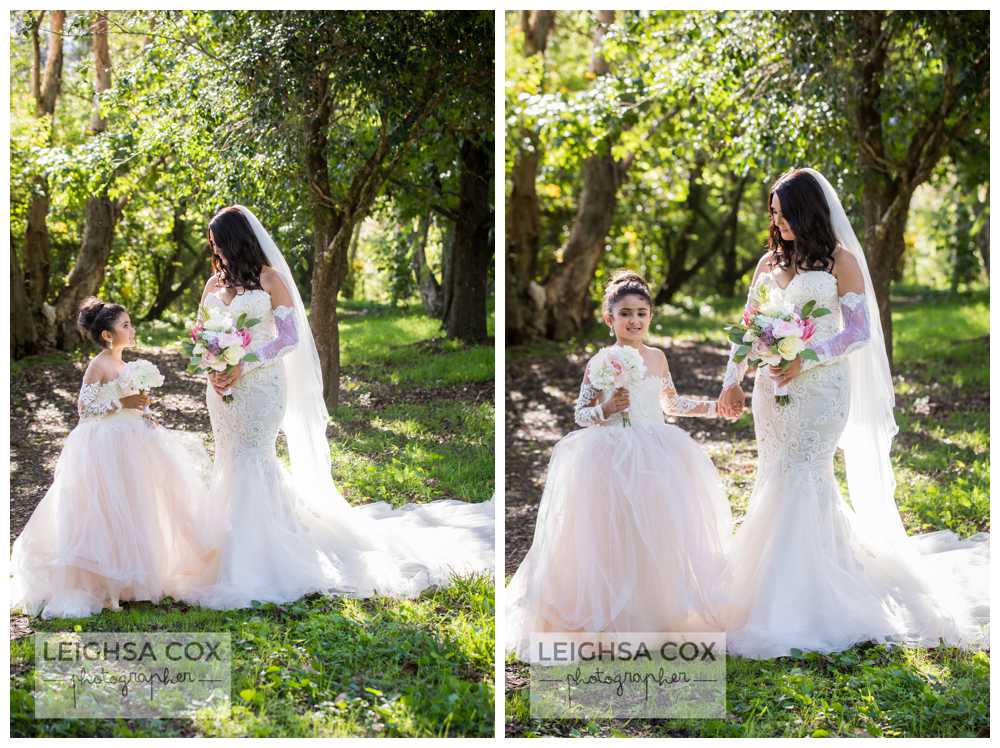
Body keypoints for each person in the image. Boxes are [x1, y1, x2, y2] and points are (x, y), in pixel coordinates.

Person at [715, 168, 989, 658]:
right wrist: (732, 381)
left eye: (783, 213)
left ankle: (807, 592)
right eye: (772, 215)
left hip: (821, 386)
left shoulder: (841, 261)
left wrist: (806, 358)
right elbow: (748, 327)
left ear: (807, 211)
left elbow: (858, 332)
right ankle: (761, 584)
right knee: (774, 473)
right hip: (770, 388)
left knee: (806, 473)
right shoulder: (766, 264)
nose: (776, 223)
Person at [506, 270, 731, 661]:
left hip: (655, 453)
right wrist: (607, 408)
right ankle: (610, 612)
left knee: (656, 528)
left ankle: (654, 609)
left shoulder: (657, 357)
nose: (635, 321)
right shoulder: (601, 361)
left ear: (650, 317)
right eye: (625, 313)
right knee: (612, 529)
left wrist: (716, 407)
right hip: (608, 454)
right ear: (609, 318)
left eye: (642, 313)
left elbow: (671, 404)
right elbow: (579, 413)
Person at [10, 298, 217, 618]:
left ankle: (133, 576)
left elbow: (133, 401)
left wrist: (144, 410)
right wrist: (124, 402)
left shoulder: (125, 365)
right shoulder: (100, 364)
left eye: (130, 324)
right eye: (125, 325)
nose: (131, 329)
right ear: (107, 335)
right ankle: (104, 578)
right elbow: (85, 408)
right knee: (109, 508)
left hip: (134, 438)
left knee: (136, 505)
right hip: (107, 444)